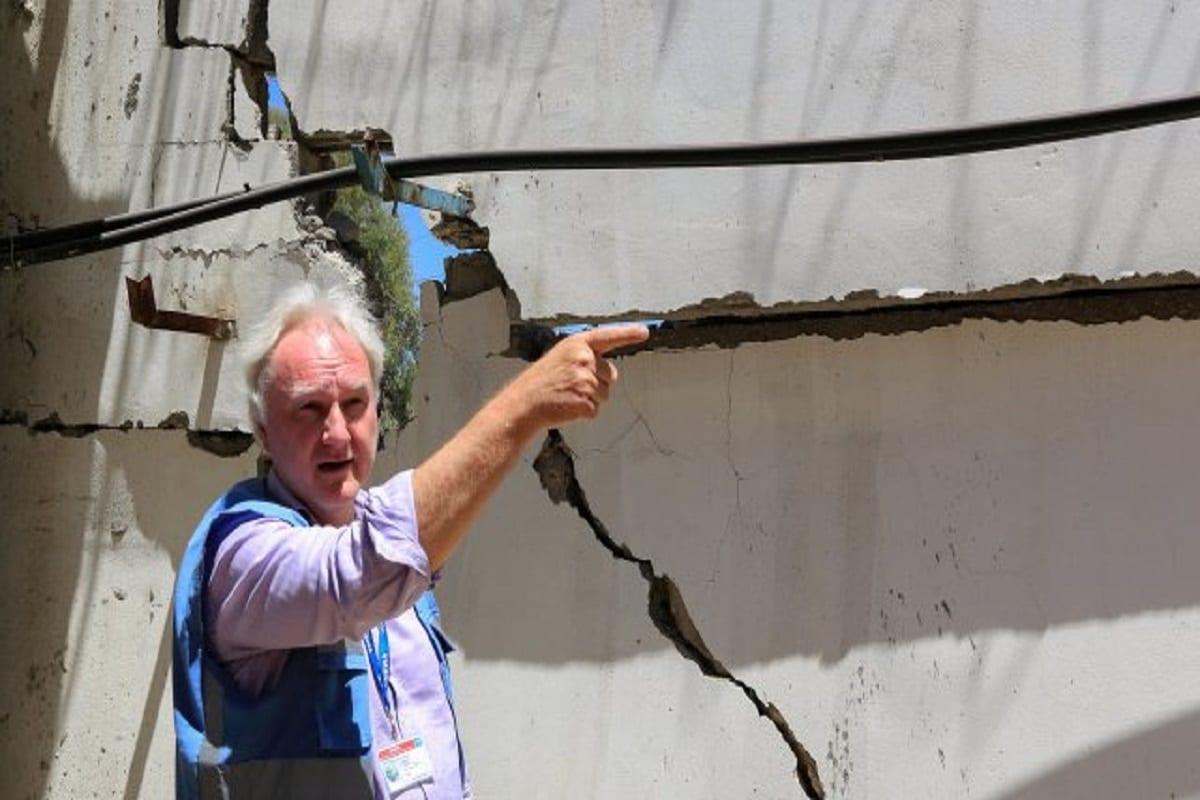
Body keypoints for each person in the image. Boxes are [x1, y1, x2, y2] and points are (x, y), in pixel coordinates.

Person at [172, 281, 648, 799]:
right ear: (262, 429)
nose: (336, 432)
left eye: (355, 404)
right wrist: (525, 404)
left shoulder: (385, 541)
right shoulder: (245, 551)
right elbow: (364, 570)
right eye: (309, 409)